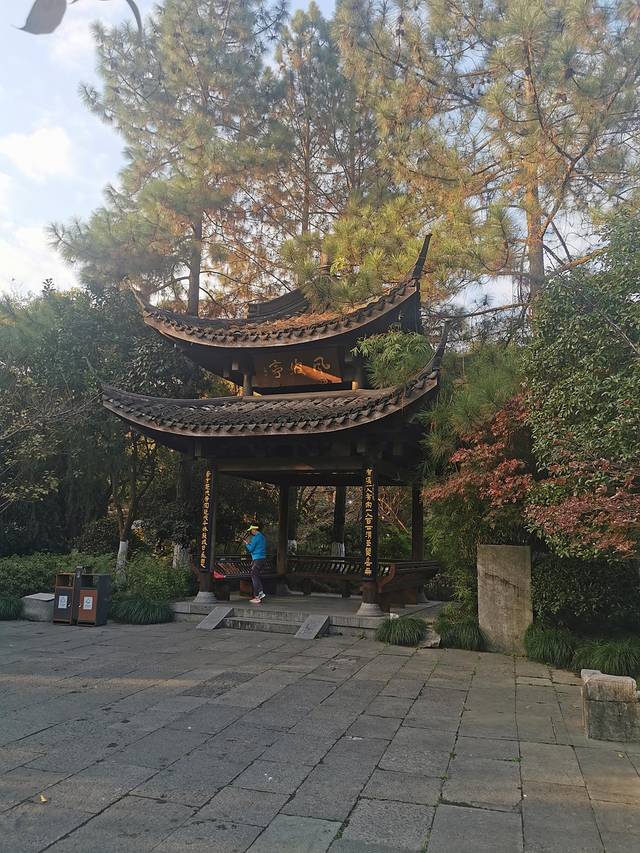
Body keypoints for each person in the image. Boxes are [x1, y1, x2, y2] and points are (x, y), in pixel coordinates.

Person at [243, 523, 267, 604]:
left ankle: (258, 595)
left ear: (254, 530)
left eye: (251, 530)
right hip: (262, 558)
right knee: (256, 576)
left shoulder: (255, 538)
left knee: (254, 576)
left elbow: (251, 549)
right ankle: (259, 594)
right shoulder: (262, 537)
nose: (251, 532)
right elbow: (258, 547)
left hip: (257, 559)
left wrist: (247, 544)